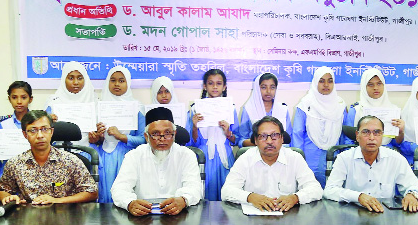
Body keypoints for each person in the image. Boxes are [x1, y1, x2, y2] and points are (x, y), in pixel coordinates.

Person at [111, 107, 203, 216]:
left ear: (174, 134)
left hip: (179, 216)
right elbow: (119, 188)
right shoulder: (134, 156)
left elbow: (195, 187)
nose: (162, 139)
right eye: (155, 134)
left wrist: (183, 200)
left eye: (168, 133)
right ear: (146, 136)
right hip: (143, 218)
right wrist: (130, 203)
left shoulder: (186, 155)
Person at [324, 115, 418, 212]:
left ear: (382, 135)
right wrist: (358, 196)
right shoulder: (344, 158)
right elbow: (330, 190)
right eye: (366, 132)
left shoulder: (395, 158)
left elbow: (414, 186)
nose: (371, 138)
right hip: (352, 214)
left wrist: (412, 195)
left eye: (377, 132)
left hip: (384, 216)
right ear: (357, 136)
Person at [0, 110, 98, 205]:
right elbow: (3, 190)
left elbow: (92, 192)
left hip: (64, 218)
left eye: (44, 129)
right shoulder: (15, 163)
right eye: (33, 130)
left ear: (51, 132)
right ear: (25, 134)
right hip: (28, 219)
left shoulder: (70, 161)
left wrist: (57, 201)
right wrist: (8, 198)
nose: (40, 135)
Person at [221, 116, 323, 211]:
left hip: (287, 220)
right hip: (253, 220)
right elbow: (226, 191)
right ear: (255, 140)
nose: (269, 141)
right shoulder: (245, 159)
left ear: (282, 138)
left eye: (275, 135)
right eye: (263, 136)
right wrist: (250, 197)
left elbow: (316, 189)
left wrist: (295, 198)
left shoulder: (295, 158)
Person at [90, 66, 146, 203]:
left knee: (126, 196)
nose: (116, 84)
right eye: (113, 80)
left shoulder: (137, 108)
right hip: (103, 157)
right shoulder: (98, 106)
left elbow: (144, 139)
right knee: (104, 194)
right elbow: (94, 139)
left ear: (128, 83)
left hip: (128, 157)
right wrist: (98, 136)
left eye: (121, 81)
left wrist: (122, 136)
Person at [187, 69, 239, 201]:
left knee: (228, 194)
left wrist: (228, 132)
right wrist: (194, 126)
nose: (215, 87)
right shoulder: (195, 109)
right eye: (211, 83)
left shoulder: (230, 108)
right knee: (205, 194)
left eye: (219, 83)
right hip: (204, 156)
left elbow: (236, 140)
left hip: (225, 155)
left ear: (224, 86)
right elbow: (192, 142)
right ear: (205, 86)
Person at [292, 67, 346, 187]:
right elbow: (297, 135)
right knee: (309, 194)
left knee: (333, 194)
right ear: (315, 82)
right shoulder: (305, 105)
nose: (326, 85)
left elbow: (343, 135)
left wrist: (344, 159)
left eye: (330, 81)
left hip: (334, 157)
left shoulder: (340, 105)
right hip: (309, 159)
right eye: (321, 81)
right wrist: (298, 161)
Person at [344, 68, 403, 148]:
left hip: (387, 154)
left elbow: (396, 143)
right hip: (361, 153)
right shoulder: (356, 109)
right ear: (364, 87)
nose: (375, 88)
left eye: (379, 84)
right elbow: (348, 141)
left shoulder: (393, 110)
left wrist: (400, 132)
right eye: (370, 84)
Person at [44, 61, 97, 148]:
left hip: (88, 152)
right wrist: (48, 122)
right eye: (71, 78)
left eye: (80, 78)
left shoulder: (94, 102)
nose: (76, 82)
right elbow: (44, 133)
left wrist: (97, 138)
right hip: (59, 153)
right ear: (64, 79)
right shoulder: (53, 102)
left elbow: (101, 137)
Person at [238, 73, 292, 148]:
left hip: (280, 153)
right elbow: (241, 140)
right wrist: (260, 142)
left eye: (272, 87)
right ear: (257, 88)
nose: (268, 91)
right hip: (255, 153)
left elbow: (288, 138)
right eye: (263, 87)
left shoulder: (283, 109)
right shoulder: (248, 109)